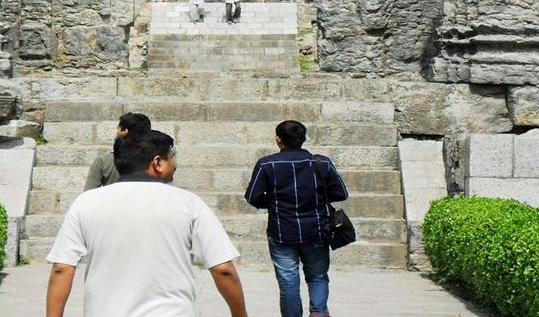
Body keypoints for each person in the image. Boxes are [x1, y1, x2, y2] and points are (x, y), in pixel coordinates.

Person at [46, 130, 250, 317]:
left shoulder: (86, 202)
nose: (176, 165)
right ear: (157, 163)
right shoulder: (188, 203)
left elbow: (61, 268)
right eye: (172, 158)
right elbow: (223, 268)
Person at [244, 120, 349, 317]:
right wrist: (316, 199)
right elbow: (341, 193)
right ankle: (318, 312)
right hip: (316, 230)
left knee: (288, 282)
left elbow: (252, 197)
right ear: (303, 139)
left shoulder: (267, 164)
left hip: (281, 231)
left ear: (278, 140)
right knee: (318, 276)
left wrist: (273, 202)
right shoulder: (322, 163)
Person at [83, 112, 150, 190]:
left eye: (118, 129)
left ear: (125, 130)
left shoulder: (104, 161)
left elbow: (89, 192)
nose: (116, 132)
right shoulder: (157, 160)